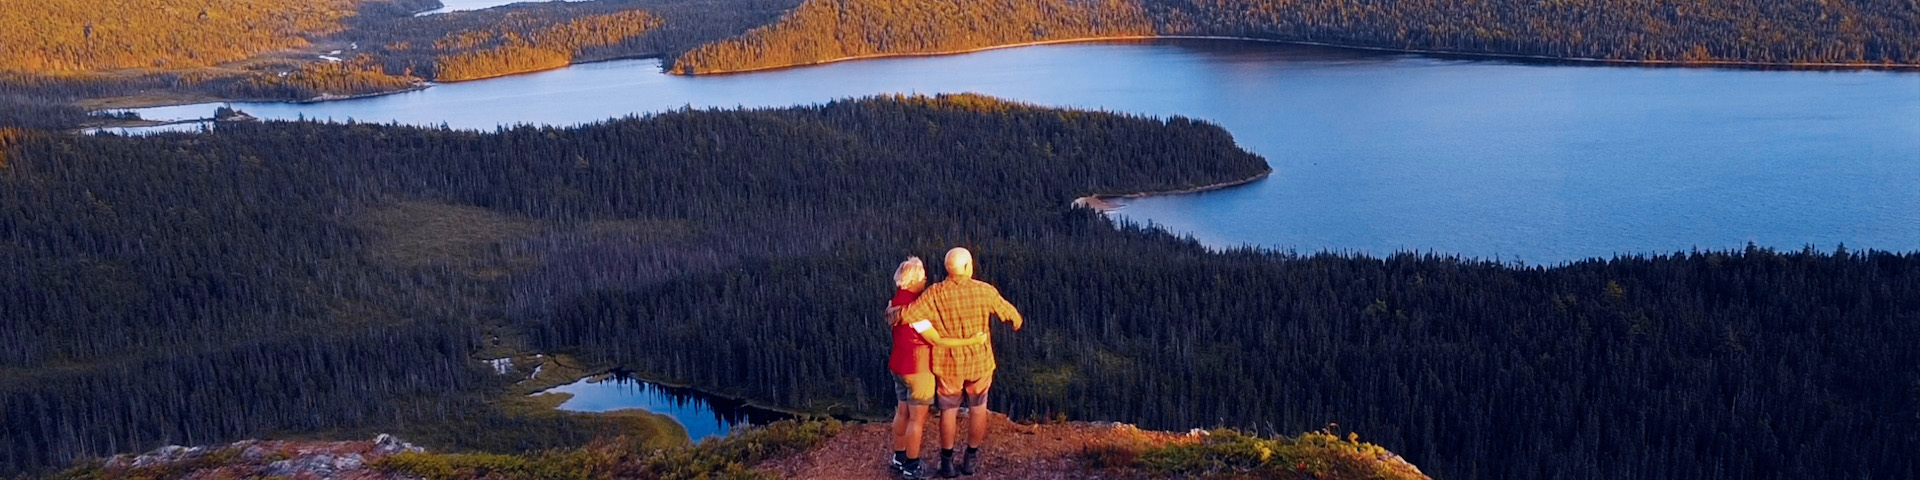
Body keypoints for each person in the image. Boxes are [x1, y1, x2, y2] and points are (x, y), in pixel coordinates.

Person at [898, 247, 1023, 478]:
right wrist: (1015, 321)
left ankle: (946, 463)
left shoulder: (934, 293)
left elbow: (907, 316)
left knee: (949, 412)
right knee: (978, 409)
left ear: (948, 269)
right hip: (980, 364)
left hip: (948, 366)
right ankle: (970, 459)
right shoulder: (984, 291)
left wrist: (891, 311)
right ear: (968, 266)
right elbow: (1013, 317)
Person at [886, 257, 988, 480]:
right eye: (923, 277)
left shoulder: (894, 303)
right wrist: (972, 341)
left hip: (898, 365)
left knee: (902, 411)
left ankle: (899, 457)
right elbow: (938, 341)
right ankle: (912, 467)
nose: (925, 281)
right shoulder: (918, 309)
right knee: (916, 420)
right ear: (913, 280)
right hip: (917, 368)